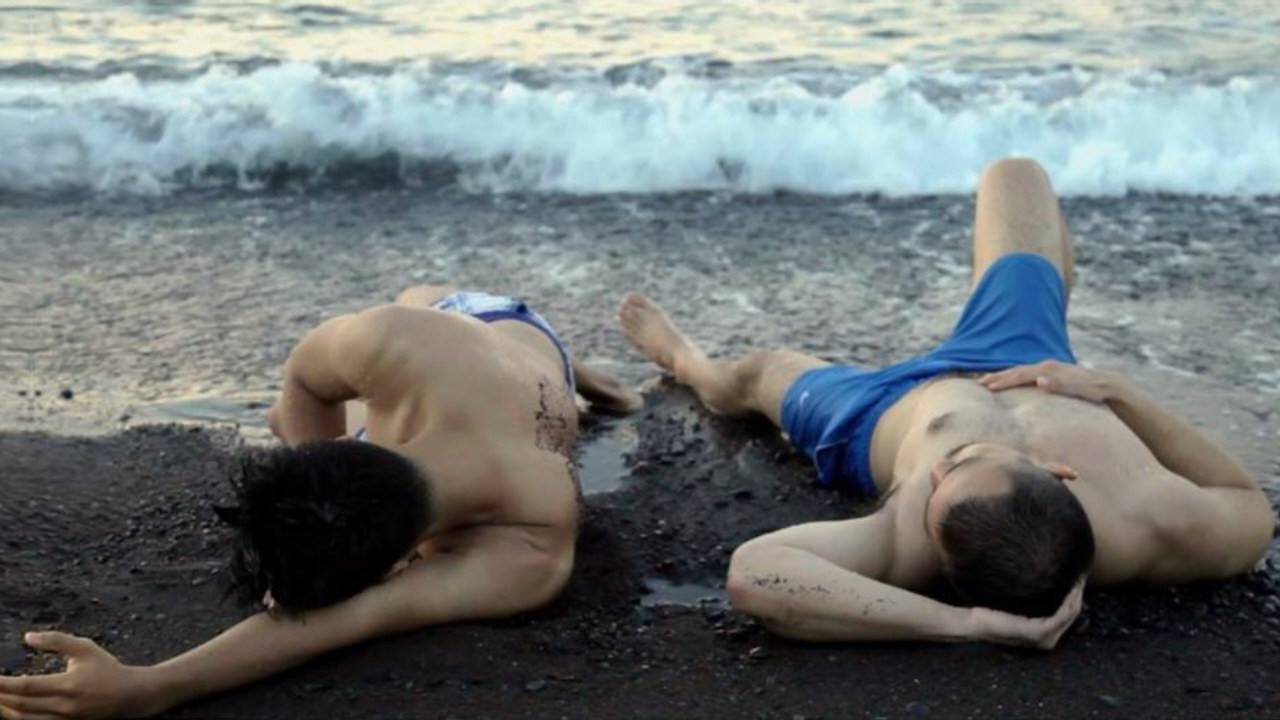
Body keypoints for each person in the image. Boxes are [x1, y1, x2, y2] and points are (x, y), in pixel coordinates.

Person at [618, 157, 1276, 649]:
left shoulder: (911, 537)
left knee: (757, 372)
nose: (938, 467)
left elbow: (754, 575)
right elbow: (1250, 507)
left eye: (941, 479)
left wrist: (962, 624)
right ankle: (1044, 294)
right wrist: (1121, 393)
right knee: (1015, 176)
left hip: (873, 413)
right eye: (963, 461)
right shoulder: (1159, 518)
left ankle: (685, 358)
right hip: (1025, 356)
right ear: (1054, 470)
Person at [0, 285, 641, 718]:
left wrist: (152, 686)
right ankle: (569, 372)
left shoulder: (529, 550)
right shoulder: (392, 340)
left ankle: (604, 374)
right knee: (404, 309)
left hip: (499, 325)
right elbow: (306, 377)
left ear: (396, 564)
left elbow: (351, 621)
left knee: (451, 322)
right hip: (457, 337)